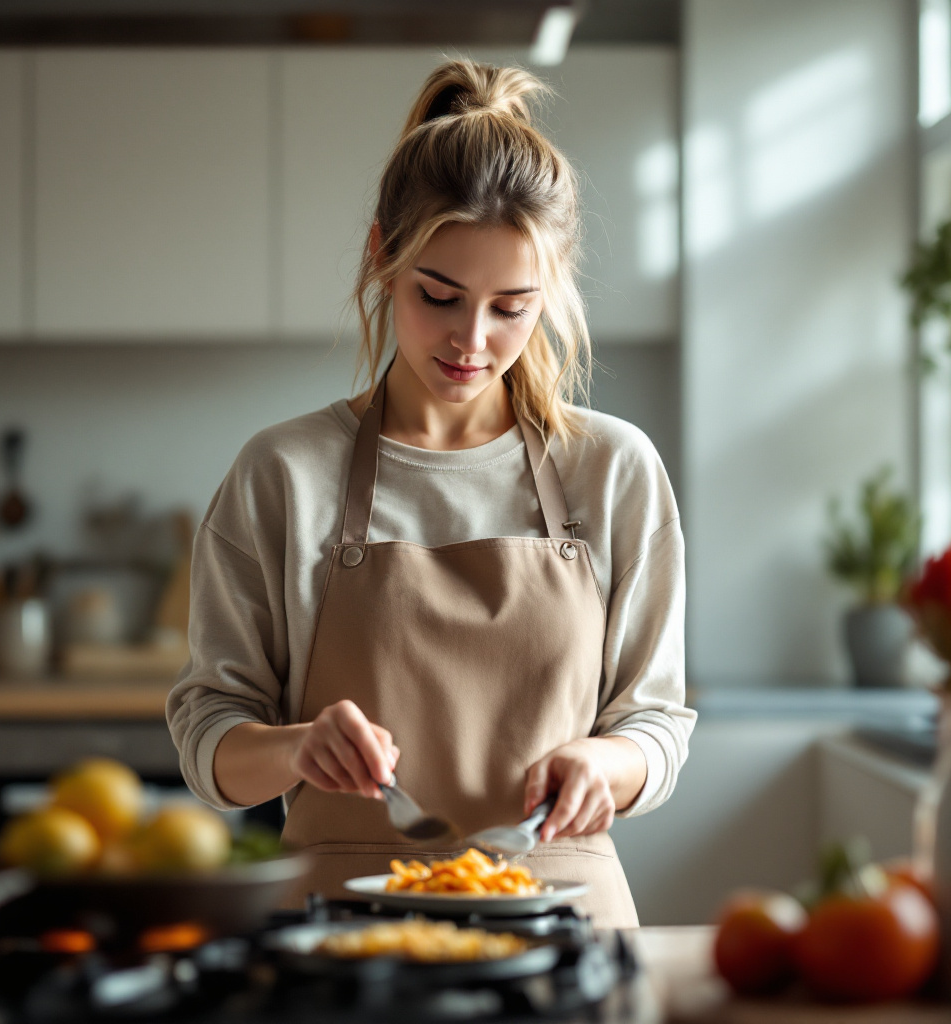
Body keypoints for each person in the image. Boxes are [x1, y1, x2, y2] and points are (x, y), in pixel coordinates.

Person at [166, 57, 696, 928]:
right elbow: (208, 735)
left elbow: (656, 723)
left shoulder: (613, 468)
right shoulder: (283, 473)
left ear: (551, 292)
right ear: (382, 256)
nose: (471, 340)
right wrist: (298, 749)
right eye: (439, 296)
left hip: (563, 921)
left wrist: (607, 765)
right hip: (341, 934)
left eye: (511, 307)